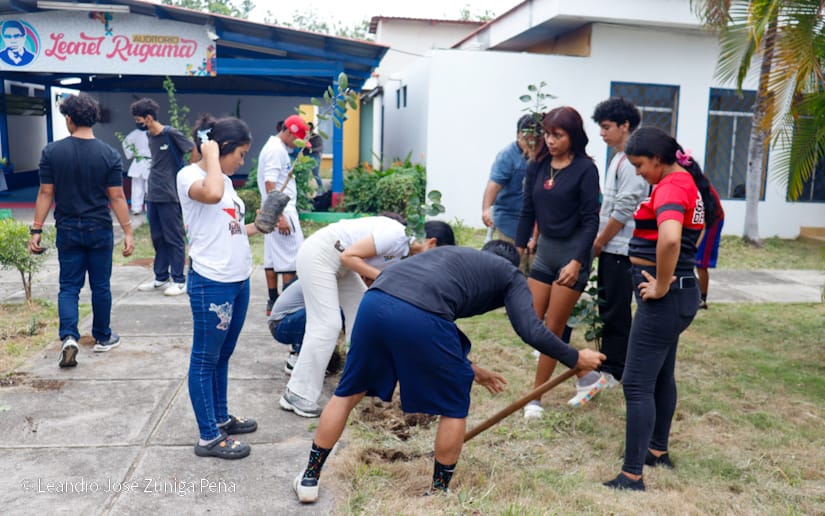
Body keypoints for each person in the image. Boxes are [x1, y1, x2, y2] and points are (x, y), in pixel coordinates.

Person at [291, 240, 605, 503]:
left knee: (348, 393)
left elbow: (436, 320)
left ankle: (309, 478)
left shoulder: (453, 257)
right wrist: (575, 357)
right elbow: (531, 330)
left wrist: (471, 368)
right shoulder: (510, 274)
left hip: (375, 303)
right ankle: (439, 493)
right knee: (455, 403)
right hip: (419, 313)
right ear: (515, 262)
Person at [603, 127, 721, 491]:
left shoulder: (672, 185)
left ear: (658, 159)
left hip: (667, 297)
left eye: (639, 165)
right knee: (661, 376)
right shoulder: (687, 182)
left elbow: (670, 238)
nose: (638, 172)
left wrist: (662, 282)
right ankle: (656, 451)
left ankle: (632, 475)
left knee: (637, 384)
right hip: (680, 296)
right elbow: (693, 229)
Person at [280, 217, 455, 418]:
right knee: (327, 325)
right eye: (438, 256)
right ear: (431, 242)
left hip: (340, 264)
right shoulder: (397, 235)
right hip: (320, 254)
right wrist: (385, 278)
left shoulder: (403, 252)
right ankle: (297, 392)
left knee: (363, 316)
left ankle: (356, 382)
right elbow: (349, 256)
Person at [28, 93, 135, 368]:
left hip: (68, 227)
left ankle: (69, 337)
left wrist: (36, 229)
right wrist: (129, 232)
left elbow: (45, 192)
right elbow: (117, 197)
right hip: (99, 227)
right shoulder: (109, 154)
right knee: (100, 286)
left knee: (68, 286)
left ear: (69, 119)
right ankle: (102, 336)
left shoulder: (51, 152)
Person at [177, 114, 260, 459]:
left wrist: (261, 225)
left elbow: (230, 227)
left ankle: (220, 417)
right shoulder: (192, 176)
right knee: (204, 359)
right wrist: (209, 154)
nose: (242, 161)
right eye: (239, 153)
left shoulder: (222, 179)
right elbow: (210, 196)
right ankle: (209, 436)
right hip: (212, 282)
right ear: (221, 147)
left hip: (237, 280)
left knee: (222, 356)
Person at [514, 106, 603, 417]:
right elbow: (527, 210)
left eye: (558, 135)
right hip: (546, 252)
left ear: (573, 136)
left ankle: (535, 399)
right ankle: (585, 373)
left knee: (552, 328)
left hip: (572, 255)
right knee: (529, 323)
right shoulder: (537, 166)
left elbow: (592, 221)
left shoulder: (585, 170)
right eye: (548, 134)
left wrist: (579, 261)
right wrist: (519, 248)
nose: (550, 140)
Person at [590, 97, 650, 387]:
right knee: (608, 308)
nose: (602, 133)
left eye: (606, 127)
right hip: (612, 247)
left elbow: (625, 208)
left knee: (616, 310)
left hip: (621, 249)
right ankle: (610, 363)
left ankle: (616, 369)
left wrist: (600, 241)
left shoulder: (631, 161)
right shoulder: (617, 157)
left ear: (625, 126)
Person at [131, 97, 194, 297]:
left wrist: (186, 175)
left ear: (148, 118)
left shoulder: (170, 134)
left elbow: (194, 151)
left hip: (170, 194)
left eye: (139, 120)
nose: (138, 124)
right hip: (153, 193)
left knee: (173, 237)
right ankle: (160, 277)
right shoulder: (150, 136)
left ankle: (179, 279)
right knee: (158, 237)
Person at [257, 114, 309, 316]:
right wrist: (279, 216)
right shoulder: (276, 151)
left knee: (272, 258)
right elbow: (271, 183)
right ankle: (289, 309)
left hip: (273, 209)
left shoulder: (274, 147)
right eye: (297, 139)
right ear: (288, 132)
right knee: (290, 261)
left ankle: (273, 302)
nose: (298, 145)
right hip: (281, 209)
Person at [481, 114, 542, 242]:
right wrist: (486, 209)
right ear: (518, 135)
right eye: (527, 140)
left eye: (534, 141)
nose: (531, 146)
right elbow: (495, 184)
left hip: (537, 224)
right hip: (510, 221)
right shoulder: (507, 156)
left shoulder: (543, 154)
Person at [267, 278, 343, 376]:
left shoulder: (315, 275)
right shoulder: (319, 280)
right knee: (328, 313)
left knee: (329, 313)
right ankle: (297, 359)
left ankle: (297, 348)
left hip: (283, 322)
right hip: (280, 326)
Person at [696, 183, 724, 309]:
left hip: (711, 220)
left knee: (701, 262)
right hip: (700, 220)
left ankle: (702, 299)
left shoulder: (697, 183)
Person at [121, 126, 152, 215]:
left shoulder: (150, 132)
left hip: (148, 161)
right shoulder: (136, 133)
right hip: (140, 161)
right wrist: (133, 153)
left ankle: (144, 208)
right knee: (137, 187)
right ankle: (137, 208)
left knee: (147, 187)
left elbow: (125, 143)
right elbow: (125, 142)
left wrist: (132, 154)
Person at [304, 122, 325, 191]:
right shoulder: (305, 137)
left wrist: (311, 149)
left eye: (309, 128)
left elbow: (320, 148)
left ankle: (321, 189)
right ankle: (305, 190)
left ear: (312, 128)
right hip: (306, 157)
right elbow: (301, 146)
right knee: (305, 174)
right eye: (306, 128)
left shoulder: (316, 137)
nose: (308, 129)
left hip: (315, 156)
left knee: (315, 173)